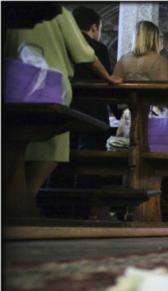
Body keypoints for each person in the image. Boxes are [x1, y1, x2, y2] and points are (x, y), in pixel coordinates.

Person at [4, 4, 121, 215]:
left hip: (11, 85)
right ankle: (25, 202)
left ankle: (20, 202)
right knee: (51, 151)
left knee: (15, 150)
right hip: (48, 89)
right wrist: (109, 77)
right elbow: (86, 53)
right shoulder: (57, 13)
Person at [70, 6, 115, 150]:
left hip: (67, 108)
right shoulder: (98, 48)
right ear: (94, 27)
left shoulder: (64, 46)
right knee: (92, 154)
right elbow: (108, 84)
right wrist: (118, 112)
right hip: (93, 114)